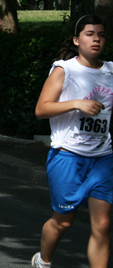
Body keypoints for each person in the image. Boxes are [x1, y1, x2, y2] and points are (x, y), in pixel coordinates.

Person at [32, 14, 113, 268]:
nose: (96, 39)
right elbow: (41, 109)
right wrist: (77, 103)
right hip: (68, 156)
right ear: (77, 40)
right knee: (64, 221)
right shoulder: (64, 69)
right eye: (90, 34)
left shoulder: (111, 71)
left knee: (103, 224)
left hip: (102, 157)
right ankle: (43, 261)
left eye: (100, 34)